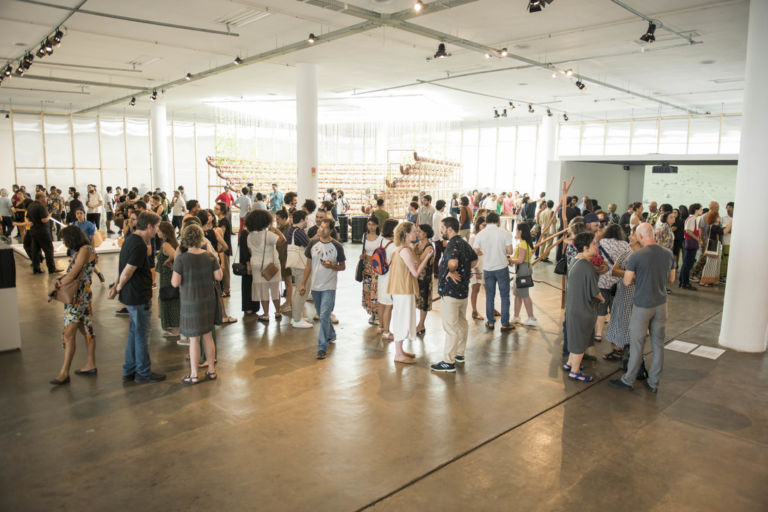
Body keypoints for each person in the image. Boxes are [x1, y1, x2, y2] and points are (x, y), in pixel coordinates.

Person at [610, 223, 675, 393]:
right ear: (653, 234)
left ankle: (628, 380)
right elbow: (671, 280)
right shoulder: (668, 253)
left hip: (642, 305)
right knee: (658, 343)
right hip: (662, 304)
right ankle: (653, 383)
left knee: (637, 343)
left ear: (640, 236)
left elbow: (626, 281)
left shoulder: (636, 256)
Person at [108, 211, 166, 384]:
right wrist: (117, 288)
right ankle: (142, 371)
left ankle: (130, 369)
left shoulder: (130, 240)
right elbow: (128, 270)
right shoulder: (139, 245)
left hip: (132, 295)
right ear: (149, 226)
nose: (156, 231)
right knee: (141, 334)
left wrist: (116, 287)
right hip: (138, 295)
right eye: (155, 227)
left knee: (134, 333)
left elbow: (123, 267)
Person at [172, 224, 222, 385]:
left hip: (190, 301)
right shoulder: (210, 256)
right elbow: (219, 276)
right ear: (201, 238)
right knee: (208, 336)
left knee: (194, 339)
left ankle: (194, 374)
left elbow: (175, 283)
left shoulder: (181, 259)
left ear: (185, 239)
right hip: (208, 300)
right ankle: (211, 371)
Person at [48, 226, 97, 385]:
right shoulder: (85, 249)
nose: (65, 243)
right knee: (86, 330)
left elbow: (73, 273)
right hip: (82, 297)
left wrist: (55, 285)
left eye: (65, 240)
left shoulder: (84, 249)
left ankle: (64, 372)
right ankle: (90, 364)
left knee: (69, 335)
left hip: (78, 299)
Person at [431, 216, 478, 373]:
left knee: (450, 327)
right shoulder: (463, 242)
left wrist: (452, 271)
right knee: (461, 323)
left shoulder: (452, 245)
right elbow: (474, 259)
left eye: (442, 228)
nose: (441, 231)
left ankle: (448, 362)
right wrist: (464, 272)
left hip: (451, 292)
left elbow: (452, 263)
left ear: (449, 229)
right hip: (463, 291)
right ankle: (459, 354)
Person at [299, 218, 346, 360]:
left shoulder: (337, 246)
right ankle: (331, 334)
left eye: (326, 228)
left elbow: (342, 266)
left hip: (329, 286)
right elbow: (308, 266)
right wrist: (302, 284)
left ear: (331, 230)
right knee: (321, 313)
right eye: (321, 227)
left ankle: (321, 347)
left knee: (324, 315)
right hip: (315, 286)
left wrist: (332, 266)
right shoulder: (312, 243)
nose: (322, 230)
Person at [388, 222, 433, 364]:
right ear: (406, 234)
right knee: (401, 319)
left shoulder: (404, 249)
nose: (416, 233)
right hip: (403, 289)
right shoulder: (405, 250)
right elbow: (415, 272)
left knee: (402, 318)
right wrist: (427, 258)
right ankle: (398, 354)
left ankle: (400, 351)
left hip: (403, 288)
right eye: (414, 231)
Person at [564, 232, 604, 382]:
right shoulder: (588, 267)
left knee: (574, 337)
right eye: (594, 244)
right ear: (586, 248)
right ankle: (575, 371)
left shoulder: (575, 260)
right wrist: (602, 298)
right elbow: (595, 292)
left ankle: (570, 363)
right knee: (580, 341)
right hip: (583, 310)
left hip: (573, 307)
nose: (596, 246)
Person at [472, 211, 514, 329]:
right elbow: (510, 251)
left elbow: (475, 250)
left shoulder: (481, 234)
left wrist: (484, 252)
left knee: (490, 296)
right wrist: (502, 251)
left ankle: (490, 322)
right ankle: (505, 323)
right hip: (502, 268)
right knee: (505, 296)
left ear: (487, 221)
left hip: (488, 268)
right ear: (498, 221)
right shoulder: (504, 233)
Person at [246, 209, 285, 321]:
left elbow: (250, 251)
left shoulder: (249, 236)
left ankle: (266, 314)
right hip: (271, 265)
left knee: (263, 291)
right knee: (274, 289)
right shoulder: (269, 234)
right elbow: (282, 241)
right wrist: (275, 230)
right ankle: (277, 312)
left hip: (256, 265)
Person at [593, 224, 628, 342]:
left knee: (601, 308)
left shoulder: (601, 242)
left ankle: (598, 334)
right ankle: (614, 336)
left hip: (602, 279)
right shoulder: (625, 245)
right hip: (618, 281)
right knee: (615, 309)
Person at [286, 210, 312, 328]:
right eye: (306, 219)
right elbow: (309, 246)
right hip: (301, 265)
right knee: (302, 291)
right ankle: (297, 320)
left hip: (295, 265)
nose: (307, 221)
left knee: (297, 290)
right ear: (302, 220)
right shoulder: (299, 232)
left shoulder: (292, 230)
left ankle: (297, 316)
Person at [156, 221, 181, 339]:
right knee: (172, 298)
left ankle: (175, 328)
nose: (157, 232)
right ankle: (175, 327)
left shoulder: (166, 245)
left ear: (164, 233)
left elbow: (175, 254)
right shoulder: (172, 243)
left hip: (167, 277)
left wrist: (168, 261)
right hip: (169, 276)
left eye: (159, 230)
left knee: (169, 300)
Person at [509, 222, 537, 326]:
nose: (515, 232)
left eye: (516, 230)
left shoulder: (522, 244)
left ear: (520, 231)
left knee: (524, 295)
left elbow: (520, 260)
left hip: (523, 269)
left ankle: (531, 317)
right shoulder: (526, 243)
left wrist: (510, 260)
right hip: (523, 269)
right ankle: (516, 316)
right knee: (518, 294)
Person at [26, 192, 60, 275]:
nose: (45, 199)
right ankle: (52, 269)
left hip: (33, 231)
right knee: (48, 250)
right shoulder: (40, 206)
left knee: (35, 251)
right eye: (44, 197)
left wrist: (29, 223)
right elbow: (44, 220)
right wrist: (49, 215)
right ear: (41, 197)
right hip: (42, 232)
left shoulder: (31, 205)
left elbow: (27, 218)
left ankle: (36, 268)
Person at [376, 219, 398, 340]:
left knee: (381, 304)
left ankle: (381, 326)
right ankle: (387, 332)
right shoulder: (394, 246)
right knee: (388, 306)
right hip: (390, 279)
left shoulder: (382, 241)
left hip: (381, 277)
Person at [360, 216, 383, 325]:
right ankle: (372, 314)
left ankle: (377, 314)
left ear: (377, 225)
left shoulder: (380, 238)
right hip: (366, 268)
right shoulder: (364, 236)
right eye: (369, 224)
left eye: (373, 224)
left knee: (376, 291)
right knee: (368, 290)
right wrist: (363, 256)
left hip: (376, 268)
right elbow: (364, 250)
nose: (371, 227)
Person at [413, 224, 435, 336]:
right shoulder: (416, 246)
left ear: (425, 233)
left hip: (424, 278)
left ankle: (421, 324)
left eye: (419, 231)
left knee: (423, 303)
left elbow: (419, 261)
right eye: (416, 231)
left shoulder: (429, 247)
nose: (417, 233)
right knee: (414, 301)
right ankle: (415, 325)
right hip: (415, 277)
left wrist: (411, 253)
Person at [679, 203, 702, 290]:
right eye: (700, 209)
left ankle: (683, 281)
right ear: (696, 210)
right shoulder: (692, 219)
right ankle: (684, 282)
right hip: (690, 242)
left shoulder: (692, 218)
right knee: (688, 263)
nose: (701, 211)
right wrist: (697, 239)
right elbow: (688, 231)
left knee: (687, 263)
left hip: (689, 242)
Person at [468, 216, 487, 321]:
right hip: (476, 267)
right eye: (483, 225)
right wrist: (476, 269)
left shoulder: (486, 237)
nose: (485, 227)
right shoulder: (474, 237)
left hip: (485, 266)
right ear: (478, 225)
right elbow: (470, 255)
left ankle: (491, 308)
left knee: (488, 288)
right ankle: (474, 311)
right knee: (476, 288)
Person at [431, 199, 446, 277]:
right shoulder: (438, 215)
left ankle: (436, 271)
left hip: (436, 237)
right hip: (439, 238)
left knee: (438, 255)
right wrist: (442, 239)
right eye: (444, 206)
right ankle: (440, 271)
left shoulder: (437, 214)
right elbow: (438, 228)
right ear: (442, 206)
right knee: (445, 255)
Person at [720, 202, 733, 281]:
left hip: (736, 243)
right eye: (727, 207)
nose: (728, 209)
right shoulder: (723, 218)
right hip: (726, 242)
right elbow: (723, 230)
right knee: (725, 259)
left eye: (730, 207)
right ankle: (722, 276)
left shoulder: (738, 218)